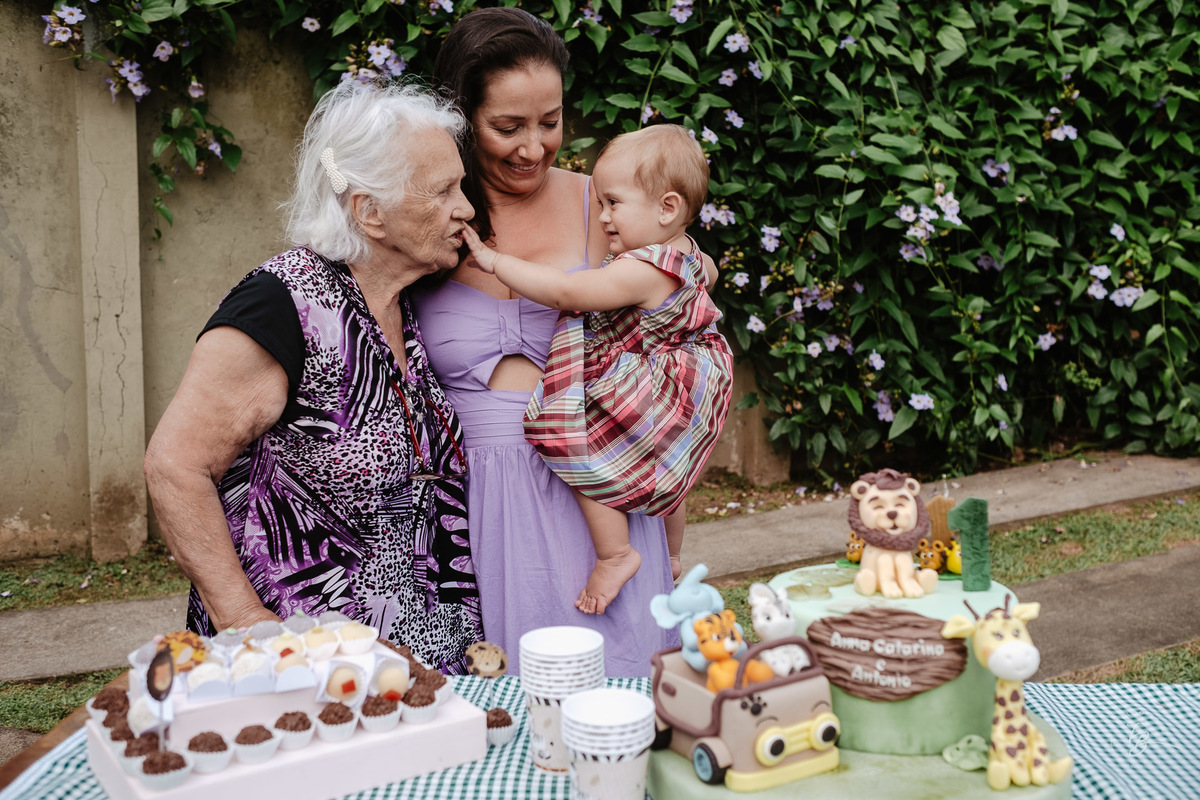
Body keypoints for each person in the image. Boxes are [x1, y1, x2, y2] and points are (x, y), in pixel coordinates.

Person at [143, 81, 483, 674]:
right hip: (303, 666)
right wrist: (246, 624)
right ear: (370, 212)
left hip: (418, 664)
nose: (467, 208)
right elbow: (175, 467)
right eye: (443, 191)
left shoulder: (406, 301)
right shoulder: (281, 305)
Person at [412, 6, 678, 675]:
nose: (533, 147)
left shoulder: (606, 209)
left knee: (622, 704)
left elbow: (678, 314)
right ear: (461, 119)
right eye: (508, 127)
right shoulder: (425, 223)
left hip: (598, 498)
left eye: (550, 122)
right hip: (478, 510)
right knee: (506, 708)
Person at [462, 124, 734, 615]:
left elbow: (569, 292)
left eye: (613, 203)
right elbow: (707, 275)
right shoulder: (688, 253)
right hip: (688, 375)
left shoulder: (642, 268)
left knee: (582, 441)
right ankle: (670, 553)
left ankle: (616, 553)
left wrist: (495, 261)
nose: (603, 216)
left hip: (654, 379)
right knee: (662, 462)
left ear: (667, 208)